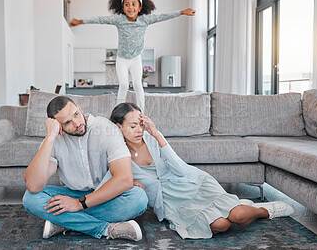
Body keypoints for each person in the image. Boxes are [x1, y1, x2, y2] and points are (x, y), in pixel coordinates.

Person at [109, 102, 295, 239]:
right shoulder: (117, 154)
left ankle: (264, 210)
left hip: (192, 184)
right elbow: (110, 180)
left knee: (239, 216)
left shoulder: (152, 139)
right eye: (133, 126)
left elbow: (181, 169)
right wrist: (130, 182)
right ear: (119, 127)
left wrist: (157, 135)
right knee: (222, 225)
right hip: (172, 203)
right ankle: (236, 204)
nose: (139, 130)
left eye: (141, 124)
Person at [22, 96, 148, 241]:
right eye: (67, 122)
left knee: (138, 198)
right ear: (58, 126)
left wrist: (78, 204)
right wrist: (50, 137)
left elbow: (124, 179)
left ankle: (66, 223)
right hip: (72, 194)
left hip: (105, 194)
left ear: (80, 109)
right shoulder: (55, 139)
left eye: (76, 114)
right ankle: (107, 229)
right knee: (31, 198)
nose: (77, 123)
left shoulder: (106, 128)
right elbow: (33, 185)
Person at [70, 0, 195, 113]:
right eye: (127, 4)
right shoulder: (119, 20)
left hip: (136, 59)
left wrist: (182, 12)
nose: (130, 7)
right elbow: (100, 19)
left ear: (139, 8)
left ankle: (142, 114)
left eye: (134, 4)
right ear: (123, 8)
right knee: (123, 86)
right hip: (122, 59)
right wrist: (81, 21)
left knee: (137, 85)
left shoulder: (145, 20)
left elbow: (163, 16)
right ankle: (117, 115)